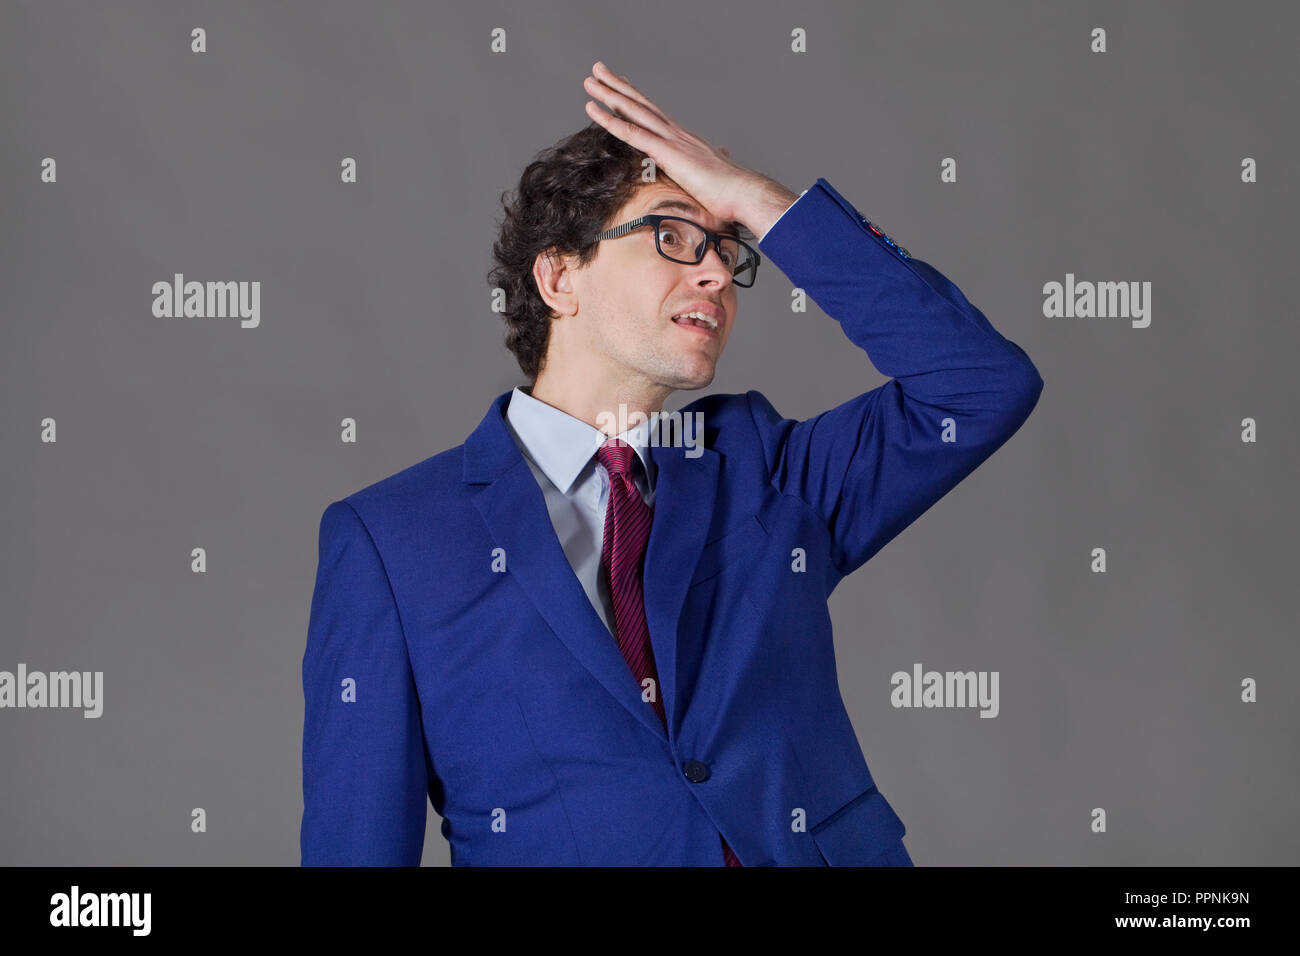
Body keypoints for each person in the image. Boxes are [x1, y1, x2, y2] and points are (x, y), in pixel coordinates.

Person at [300, 61, 1043, 866]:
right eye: (673, 237)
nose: (718, 272)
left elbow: (981, 386)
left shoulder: (767, 473)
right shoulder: (390, 541)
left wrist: (761, 203)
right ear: (559, 277)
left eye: (729, 249)